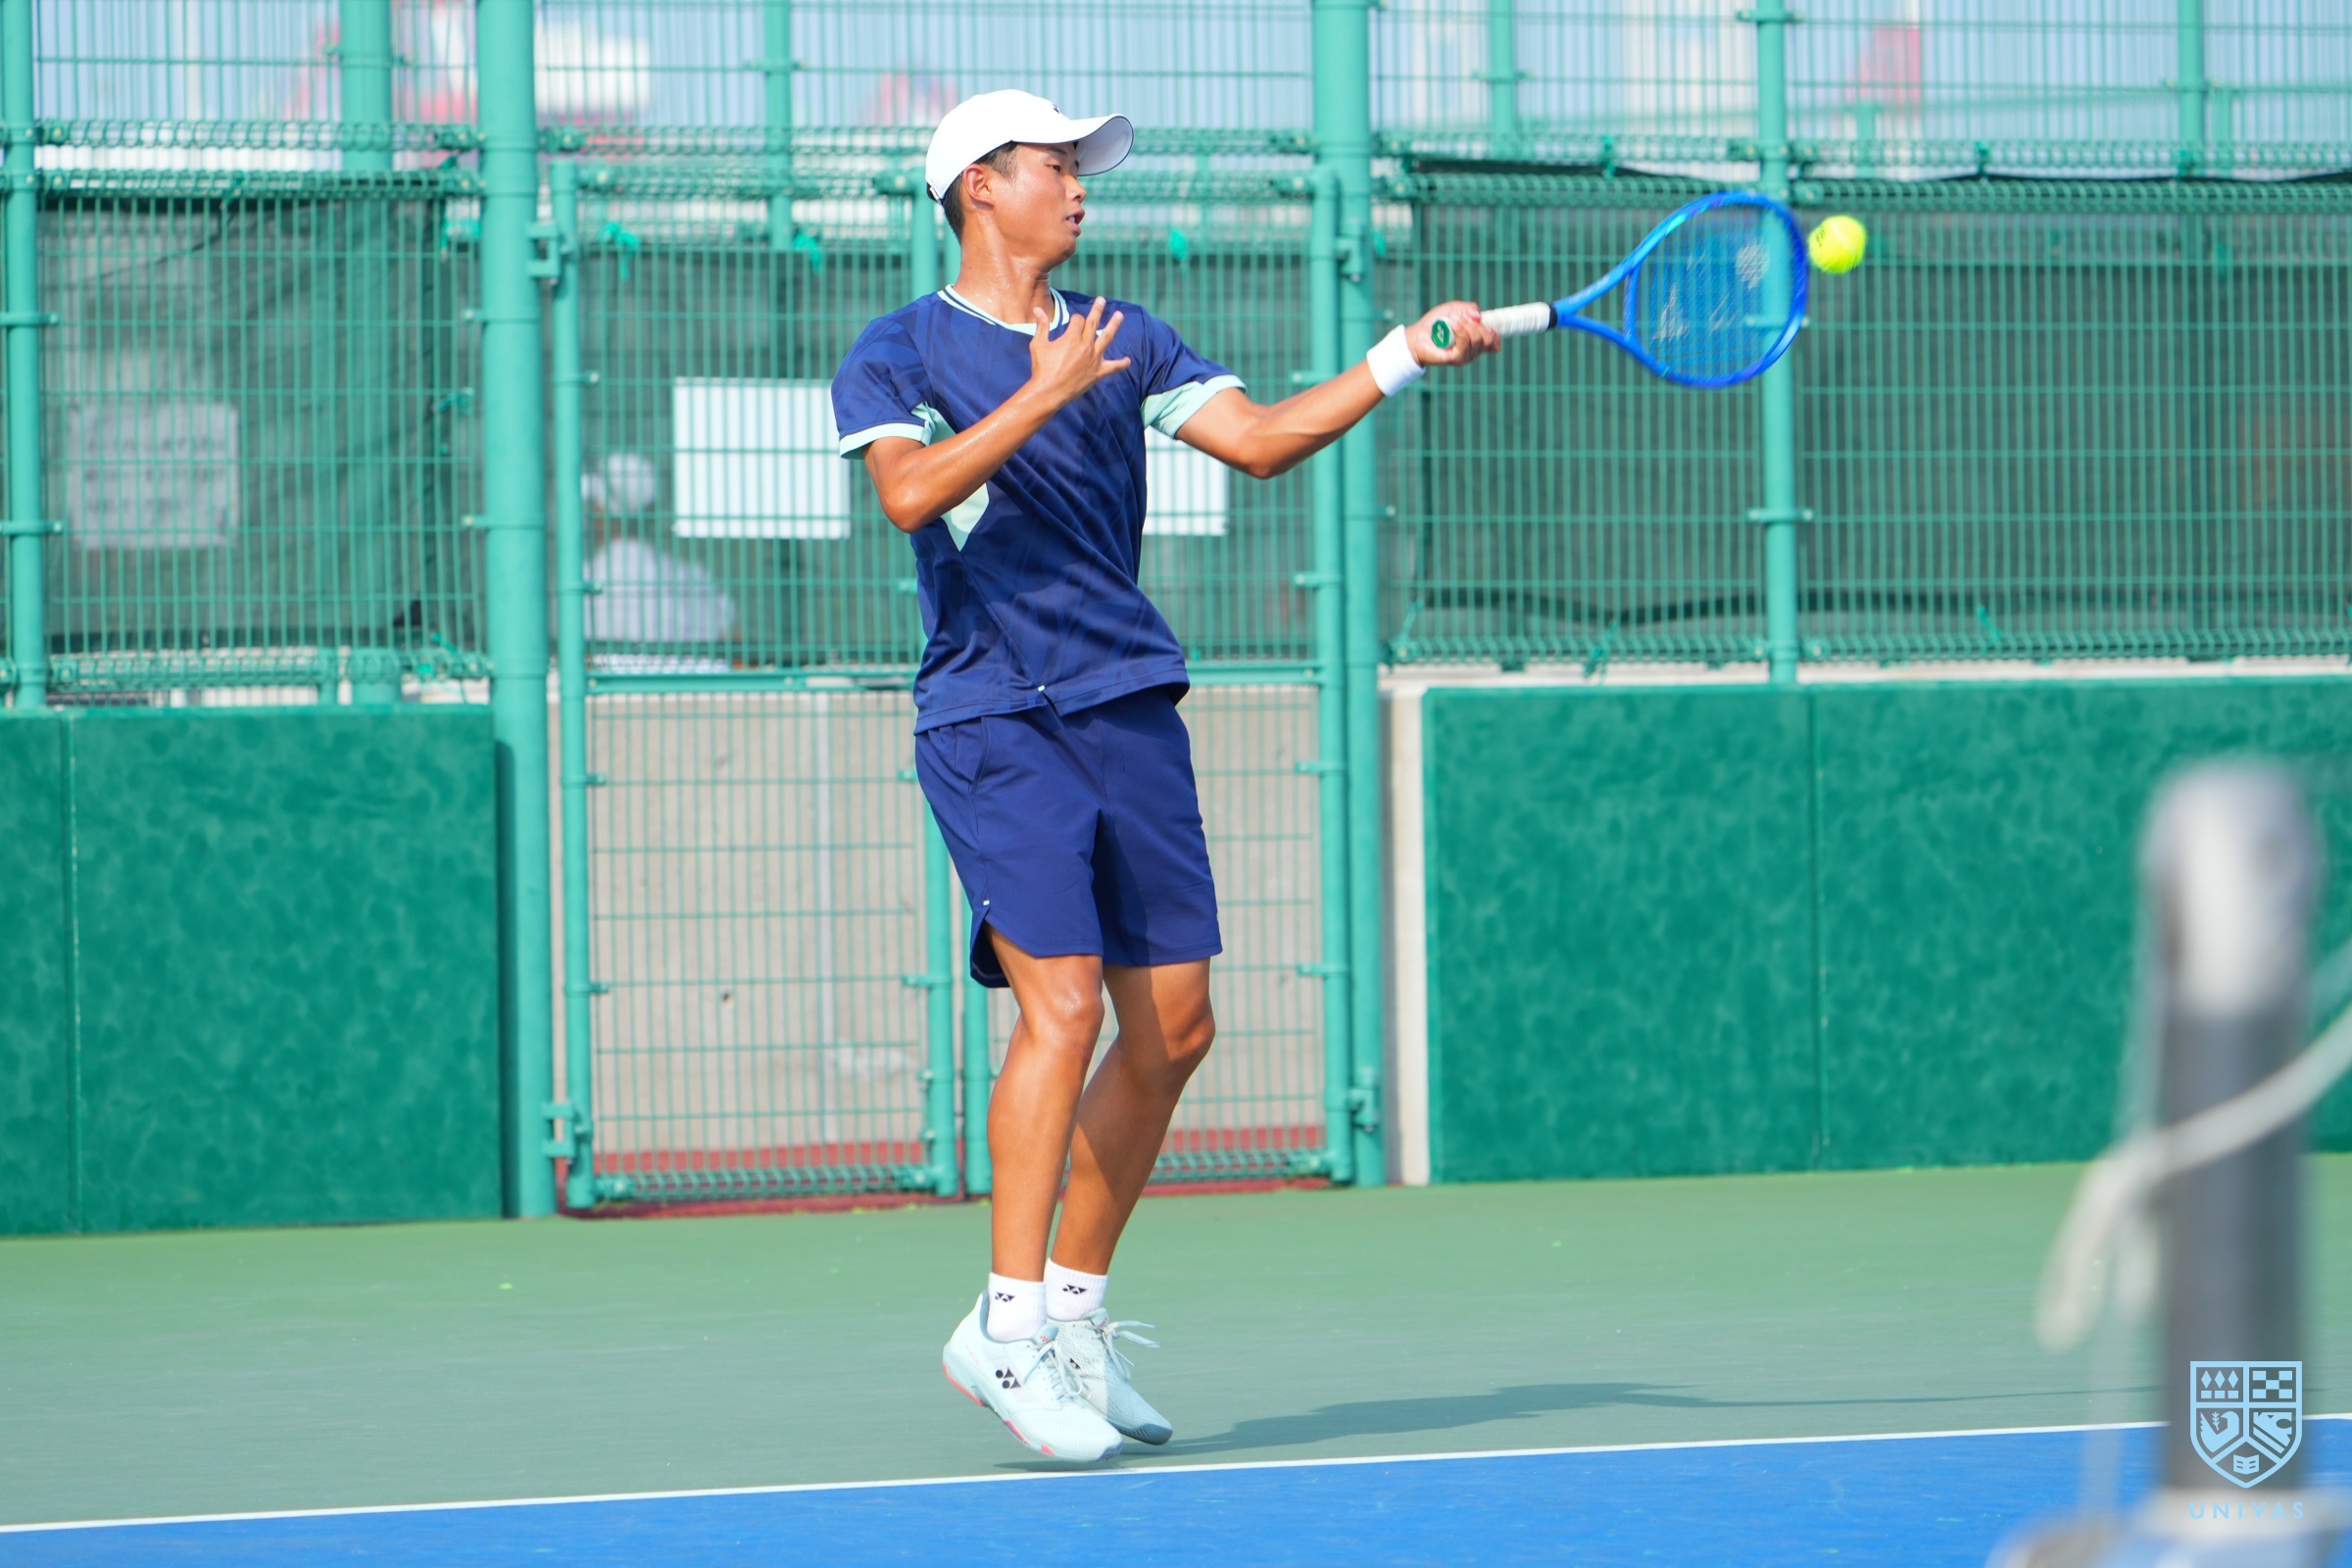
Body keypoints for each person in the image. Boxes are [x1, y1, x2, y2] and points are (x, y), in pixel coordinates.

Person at [830, 88, 1499, 1464]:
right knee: (1063, 1008)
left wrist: (1402, 355)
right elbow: (907, 495)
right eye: (1054, 166)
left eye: (1083, 169)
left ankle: (1073, 1317)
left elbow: (1261, 441)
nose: (1080, 188)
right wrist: (1044, 390)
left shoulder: (1127, 335)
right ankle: (1005, 1331)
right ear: (978, 187)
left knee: (1176, 1030)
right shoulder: (897, 349)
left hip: (1128, 701)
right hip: (994, 714)